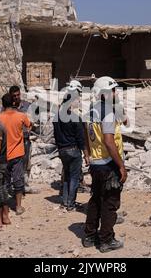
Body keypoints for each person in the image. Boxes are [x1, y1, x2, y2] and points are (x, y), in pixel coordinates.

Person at [83, 76, 127, 253]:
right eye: (112, 90)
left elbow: (86, 134)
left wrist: (87, 153)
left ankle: (89, 235)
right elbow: (109, 141)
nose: (115, 93)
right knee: (110, 202)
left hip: (96, 163)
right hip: (108, 164)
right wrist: (121, 166)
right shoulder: (108, 111)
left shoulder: (91, 110)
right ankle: (106, 240)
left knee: (95, 200)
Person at [53, 80, 89, 211]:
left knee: (67, 176)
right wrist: (86, 155)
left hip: (62, 150)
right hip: (73, 150)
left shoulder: (56, 118)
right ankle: (71, 204)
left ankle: (65, 202)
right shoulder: (75, 118)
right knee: (74, 178)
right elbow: (81, 139)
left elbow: (55, 136)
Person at [0, 93, 32, 215]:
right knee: (18, 179)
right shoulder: (21, 116)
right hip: (17, 153)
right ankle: (18, 207)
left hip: (3, 154)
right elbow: (29, 126)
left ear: (2, 104)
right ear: (13, 103)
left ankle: (5, 206)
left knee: (5, 181)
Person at [9, 86, 37, 194]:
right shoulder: (8, 108)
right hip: (12, 140)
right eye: (14, 96)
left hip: (24, 138)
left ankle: (24, 184)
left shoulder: (27, 106)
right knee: (13, 162)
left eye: (18, 95)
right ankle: (14, 184)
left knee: (25, 161)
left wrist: (30, 127)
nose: (16, 97)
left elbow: (33, 120)